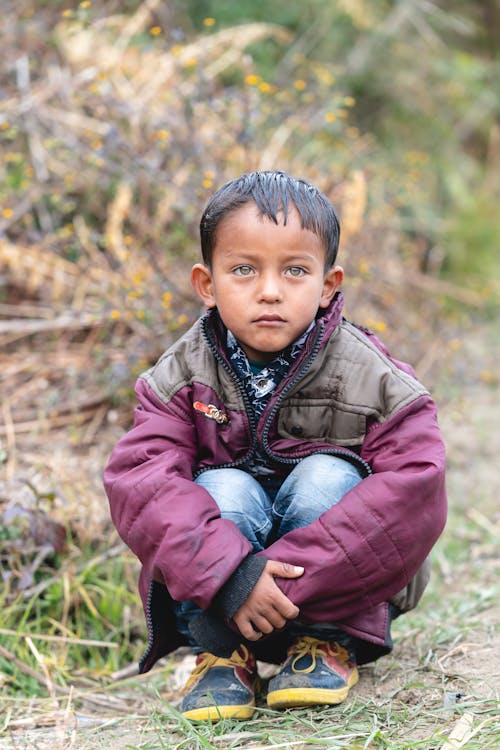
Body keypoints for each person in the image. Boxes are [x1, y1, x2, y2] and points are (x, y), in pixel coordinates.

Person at [103, 170, 447, 722]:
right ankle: (223, 656)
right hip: (224, 599)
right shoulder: (179, 376)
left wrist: (285, 577)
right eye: (243, 269)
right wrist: (233, 577)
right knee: (221, 487)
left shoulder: (377, 378)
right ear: (207, 283)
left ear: (328, 283)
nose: (269, 290)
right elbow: (143, 484)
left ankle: (325, 642)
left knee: (327, 479)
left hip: (336, 589)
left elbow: (415, 489)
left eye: (294, 270)